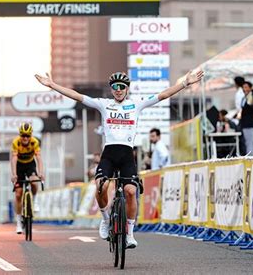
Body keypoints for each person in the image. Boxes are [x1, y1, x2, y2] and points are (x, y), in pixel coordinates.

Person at [35, 70, 204, 249]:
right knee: (101, 185)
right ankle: (106, 219)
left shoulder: (136, 104)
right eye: (115, 87)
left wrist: (185, 83)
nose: (118, 90)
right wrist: (52, 85)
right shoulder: (104, 104)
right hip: (108, 154)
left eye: (122, 87)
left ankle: (130, 234)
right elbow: (77, 96)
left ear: (127, 89)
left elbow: (163, 95)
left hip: (126, 156)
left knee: (131, 192)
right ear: (111, 89)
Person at [10, 122, 44, 234]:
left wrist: (41, 172)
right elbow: (14, 159)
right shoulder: (16, 142)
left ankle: (34, 201)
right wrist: (14, 174)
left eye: (27, 135)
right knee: (18, 194)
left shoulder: (35, 142)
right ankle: (19, 222)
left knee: (34, 182)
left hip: (30, 164)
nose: (25, 138)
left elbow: (38, 158)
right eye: (23, 135)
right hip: (19, 166)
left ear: (31, 135)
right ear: (20, 135)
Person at [240, 81, 253, 155]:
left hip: (249, 122)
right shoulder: (243, 98)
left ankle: (251, 156)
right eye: (243, 87)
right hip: (244, 122)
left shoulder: (252, 98)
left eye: (246, 87)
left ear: (250, 88)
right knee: (247, 142)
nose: (244, 89)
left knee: (249, 142)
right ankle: (250, 155)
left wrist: (250, 102)